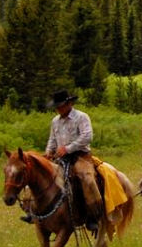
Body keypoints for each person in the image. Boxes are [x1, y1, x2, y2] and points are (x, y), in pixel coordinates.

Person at [30, 89, 105, 229]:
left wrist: (68, 148)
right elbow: (52, 140)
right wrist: (48, 152)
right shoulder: (55, 122)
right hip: (60, 158)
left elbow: (87, 136)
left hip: (80, 156)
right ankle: (34, 210)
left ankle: (93, 214)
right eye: (57, 106)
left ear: (70, 103)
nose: (58, 109)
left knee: (87, 178)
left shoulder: (82, 117)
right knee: (37, 174)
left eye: (61, 105)